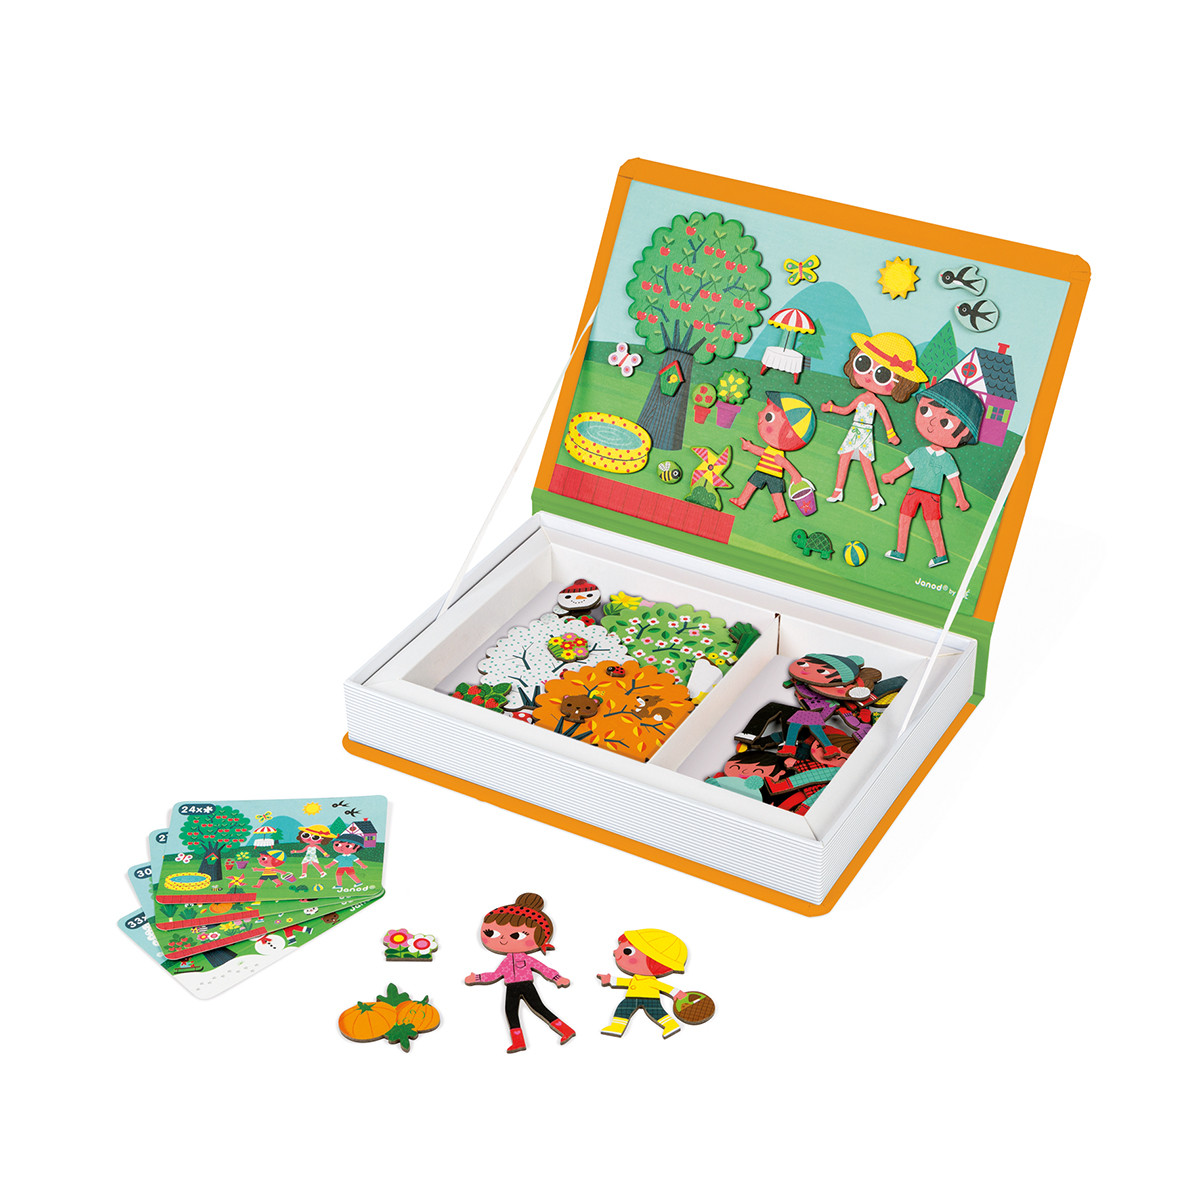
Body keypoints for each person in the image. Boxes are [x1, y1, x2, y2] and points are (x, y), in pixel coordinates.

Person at [881, 378, 983, 568]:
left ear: (964, 433)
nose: (932, 423)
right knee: (904, 518)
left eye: (946, 422)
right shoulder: (920, 452)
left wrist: (961, 498)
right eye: (926, 411)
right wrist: (892, 475)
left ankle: (941, 555)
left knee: (932, 523)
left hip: (932, 497)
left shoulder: (947, 459)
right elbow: (907, 466)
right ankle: (900, 551)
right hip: (913, 492)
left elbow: (953, 479)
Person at [823, 332, 927, 510]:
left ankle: (875, 497)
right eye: (863, 364)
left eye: (882, 374)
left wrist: (891, 434)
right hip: (854, 431)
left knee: (865, 464)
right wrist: (831, 408)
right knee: (844, 458)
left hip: (865, 433)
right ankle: (838, 491)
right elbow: (847, 410)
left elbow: (886, 419)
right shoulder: (862, 397)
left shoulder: (876, 402)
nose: (869, 375)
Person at [464, 892, 574, 1054]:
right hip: (511, 987)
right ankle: (518, 1042)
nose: (503, 940)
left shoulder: (526, 958)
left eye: (516, 935)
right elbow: (495, 975)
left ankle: (566, 1030)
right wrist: (477, 978)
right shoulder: (507, 961)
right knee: (510, 1012)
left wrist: (557, 978)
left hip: (526, 986)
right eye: (491, 933)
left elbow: (543, 968)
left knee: (539, 1008)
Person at [730, 392, 815, 522]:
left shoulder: (778, 455)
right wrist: (749, 447)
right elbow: (762, 452)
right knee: (752, 484)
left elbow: (785, 463)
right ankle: (742, 501)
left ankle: (782, 511)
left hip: (773, 476)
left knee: (776, 493)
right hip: (762, 471)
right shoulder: (771, 450)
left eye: (769, 417)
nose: (759, 414)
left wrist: (796, 475)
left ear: (788, 433)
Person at [596, 929, 687, 1038]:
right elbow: (627, 982)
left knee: (657, 1013)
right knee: (623, 1009)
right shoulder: (636, 978)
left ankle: (672, 1025)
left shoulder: (650, 980)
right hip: (632, 997)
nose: (615, 951)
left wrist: (676, 993)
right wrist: (610, 980)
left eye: (627, 951)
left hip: (651, 999)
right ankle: (617, 1027)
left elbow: (662, 986)